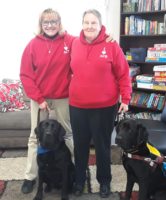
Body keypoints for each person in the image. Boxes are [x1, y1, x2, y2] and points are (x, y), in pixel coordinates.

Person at [69, 9, 132, 198]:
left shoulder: (111, 45)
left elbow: (123, 73)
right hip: (77, 106)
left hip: (105, 107)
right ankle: (79, 181)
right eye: (86, 22)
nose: (89, 26)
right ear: (82, 24)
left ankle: (104, 182)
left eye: (93, 23)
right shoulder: (73, 43)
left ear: (100, 25)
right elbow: (54, 36)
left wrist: (126, 98)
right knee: (80, 146)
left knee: (102, 146)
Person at [20, 8, 75, 194]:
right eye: (46, 22)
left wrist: (105, 35)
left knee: (66, 135)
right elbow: (26, 75)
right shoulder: (32, 45)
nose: (50, 25)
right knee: (35, 138)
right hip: (39, 98)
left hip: (62, 97)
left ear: (59, 23)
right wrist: (39, 98)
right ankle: (30, 177)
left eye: (53, 22)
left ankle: (71, 174)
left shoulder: (71, 41)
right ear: (41, 25)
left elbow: (89, 43)